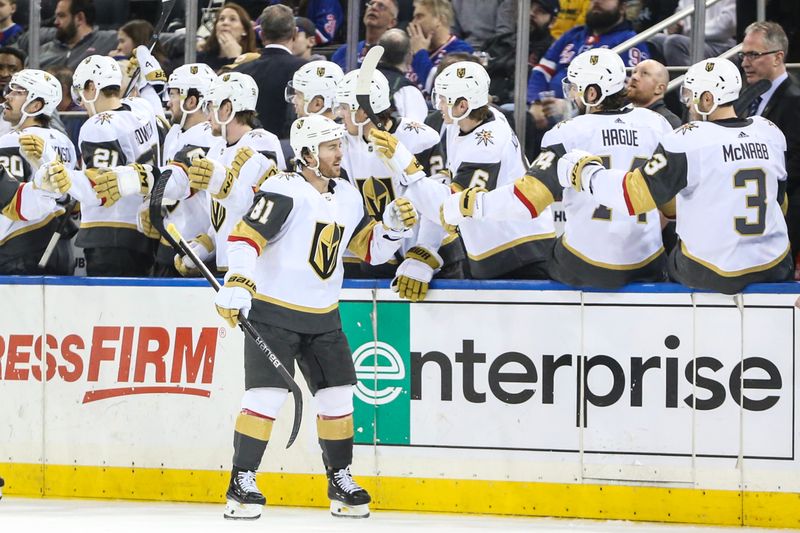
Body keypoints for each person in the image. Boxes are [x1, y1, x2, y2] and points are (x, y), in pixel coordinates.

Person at [215, 114, 418, 520]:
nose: (338, 153)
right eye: (329, 147)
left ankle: (340, 479)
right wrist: (238, 278)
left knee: (338, 396)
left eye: (339, 145)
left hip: (325, 316)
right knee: (266, 397)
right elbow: (244, 235)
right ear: (307, 153)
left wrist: (392, 230)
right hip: (275, 313)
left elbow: (368, 250)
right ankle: (241, 481)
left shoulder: (346, 194)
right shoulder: (282, 188)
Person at [442, 49, 673, 289]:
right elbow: (672, 204)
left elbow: (527, 201)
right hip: (648, 265)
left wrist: (470, 204)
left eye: (575, 87)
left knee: (545, 254)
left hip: (586, 267)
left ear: (592, 93)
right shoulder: (657, 125)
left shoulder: (568, 132)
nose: (572, 94)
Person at [564, 58, 792, 293]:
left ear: (707, 99)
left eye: (690, 95)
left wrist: (585, 173)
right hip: (774, 264)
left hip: (714, 272)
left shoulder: (688, 140)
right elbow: (780, 202)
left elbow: (633, 195)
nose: (688, 104)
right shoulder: (769, 132)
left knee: (666, 258)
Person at [379, 61, 557, 280]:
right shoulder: (469, 121)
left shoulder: (487, 145)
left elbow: (450, 209)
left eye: (443, 99)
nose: (439, 105)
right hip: (493, 248)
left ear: (462, 105)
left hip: (521, 252)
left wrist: (406, 166)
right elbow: (448, 182)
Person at [41, 54, 161, 277]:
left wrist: (67, 179)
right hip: (144, 229)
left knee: (111, 310)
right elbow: (157, 109)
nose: (82, 103)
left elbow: (102, 188)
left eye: (80, 94)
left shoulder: (98, 126)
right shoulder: (141, 109)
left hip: (111, 233)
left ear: (91, 87)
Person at [335, 66, 440, 282]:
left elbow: (440, 203)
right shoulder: (342, 144)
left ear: (363, 111)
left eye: (345, 107)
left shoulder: (420, 138)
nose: (340, 113)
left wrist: (424, 255)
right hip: (380, 255)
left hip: (427, 258)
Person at [186, 72, 286, 274]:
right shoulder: (217, 150)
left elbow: (257, 209)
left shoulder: (261, 141)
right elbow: (226, 219)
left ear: (227, 108)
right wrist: (206, 246)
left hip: (256, 269)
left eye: (211, 107)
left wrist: (223, 184)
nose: (207, 116)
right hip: (227, 266)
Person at [0, 69, 78, 274]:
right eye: (11, 90)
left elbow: (7, 201)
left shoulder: (12, 140)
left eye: (18, 92)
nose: (7, 96)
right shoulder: (64, 141)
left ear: (36, 105)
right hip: (60, 244)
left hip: (19, 246)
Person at [527, 0, 649, 128]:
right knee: (513, 112)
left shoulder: (630, 42)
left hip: (589, 120)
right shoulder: (573, 34)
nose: (597, 1)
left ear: (622, 8)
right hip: (545, 109)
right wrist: (535, 101)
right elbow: (541, 71)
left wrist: (571, 107)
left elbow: (623, 93)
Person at [739, 21, 800, 272]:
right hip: (749, 208)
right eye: (743, 55)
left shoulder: (795, 99)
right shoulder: (745, 98)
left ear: (778, 57)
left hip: (782, 213)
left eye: (753, 54)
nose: (745, 62)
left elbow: (796, 163)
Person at [154, 63, 222, 277]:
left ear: (191, 101)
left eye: (173, 94)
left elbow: (178, 183)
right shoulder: (176, 131)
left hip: (197, 244)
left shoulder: (206, 136)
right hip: (172, 237)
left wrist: (134, 180)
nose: (168, 100)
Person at [235, 4, 306, 139]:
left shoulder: (240, 72)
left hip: (246, 152)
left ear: (261, 34)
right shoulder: (304, 71)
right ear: (295, 34)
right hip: (288, 151)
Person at [407, 0, 473, 95]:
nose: (413, 23)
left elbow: (440, 91)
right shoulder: (411, 52)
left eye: (419, 17)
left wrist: (420, 53)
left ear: (439, 20)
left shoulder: (462, 51)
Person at [648, 0, 736, 66]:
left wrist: (691, 32)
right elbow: (680, 13)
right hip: (690, 39)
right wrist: (676, 26)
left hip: (721, 44)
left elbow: (728, 25)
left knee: (674, 42)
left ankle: (688, 89)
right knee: (655, 40)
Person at [38, 0, 118, 70]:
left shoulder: (109, 40)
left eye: (61, 16)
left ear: (79, 18)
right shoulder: (43, 51)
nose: (56, 22)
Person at [377, 28, 428, 122]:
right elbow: (418, 131)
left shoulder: (357, 79)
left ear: (378, 53)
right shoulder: (408, 91)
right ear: (409, 55)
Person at [331, 0, 398, 70]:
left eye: (381, 6)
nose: (373, 7)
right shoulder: (344, 51)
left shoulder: (396, 55)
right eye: (371, 4)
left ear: (392, 23)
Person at [198, 3, 259, 73]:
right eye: (221, 19)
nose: (225, 23)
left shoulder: (253, 60)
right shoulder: (202, 58)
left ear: (244, 31)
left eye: (232, 19)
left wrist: (235, 58)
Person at [626, 59, 681, 128]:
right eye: (634, 72)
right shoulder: (622, 117)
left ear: (659, 88)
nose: (634, 77)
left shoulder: (667, 122)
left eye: (644, 73)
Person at [451, 0, 516, 50]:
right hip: (466, 52)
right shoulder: (457, 2)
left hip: (495, 52)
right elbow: (454, 34)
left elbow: (504, 34)